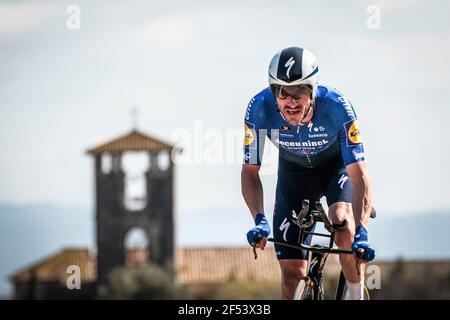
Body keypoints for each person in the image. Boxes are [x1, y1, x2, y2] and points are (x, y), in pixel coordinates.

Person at [241, 47, 375, 300]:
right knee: (292, 275)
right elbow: (250, 171)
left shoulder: (337, 108)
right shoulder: (259, 108)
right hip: (294, 175)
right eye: (282, 92)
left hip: (335, 168)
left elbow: (359, 175)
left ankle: (355, 294)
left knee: (343, 224)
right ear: (273, 91)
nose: (291, 101)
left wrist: (362, 232)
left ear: (312, 90)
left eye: (300, 92)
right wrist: (258, 218)